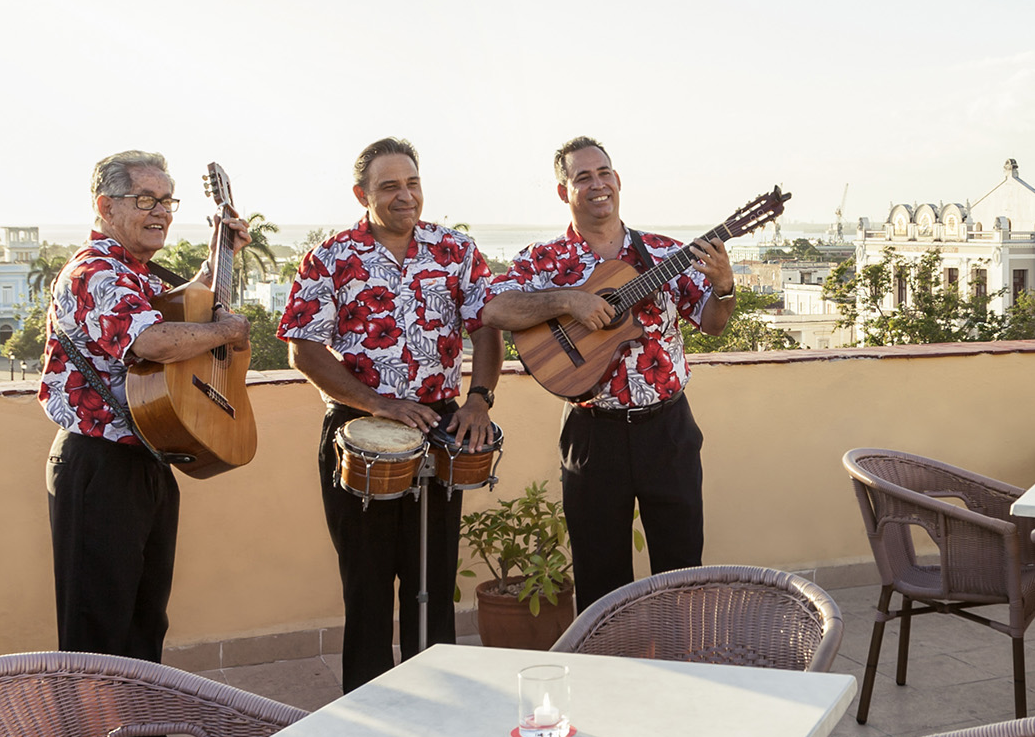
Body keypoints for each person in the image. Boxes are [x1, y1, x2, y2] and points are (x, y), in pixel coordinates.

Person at [41, 148, 251, 737]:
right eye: (145, 199)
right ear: (105, 206)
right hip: (97, 465)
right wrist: (223, 330)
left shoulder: (134, 271)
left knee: (142, 617)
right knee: (95, 624)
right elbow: (154, 341)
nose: (159, 211)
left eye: (167, 200)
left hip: (147, 456)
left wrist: (225, 253)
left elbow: (181, 305)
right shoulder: (94, 271)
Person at [278, 137, 501, 690]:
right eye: (389, 187)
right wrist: (378, 403)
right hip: (359, 426)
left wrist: (479, 397)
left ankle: (440, 703)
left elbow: (487, 328)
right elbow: (302, 349)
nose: (406, 197)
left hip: (439, 422)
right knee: (368, 583)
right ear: (362, 194)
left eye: (413, 183)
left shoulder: (456, 250)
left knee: (433, 575)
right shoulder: (330, 257)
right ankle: (369, 717)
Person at [481, 135, 732, 605]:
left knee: (682, 574)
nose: (597, 185)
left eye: (604, 174)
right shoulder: (545, 260)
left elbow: (714, 323)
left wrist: (724, 287)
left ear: (617, 181)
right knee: (600, 580)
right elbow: (495, 310)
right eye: (583, 177)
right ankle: (609, 676)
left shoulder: (662, 252)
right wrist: (568, 299)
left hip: (668, 430)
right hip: (593, 434)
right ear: (564, 192)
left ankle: (680, 675)